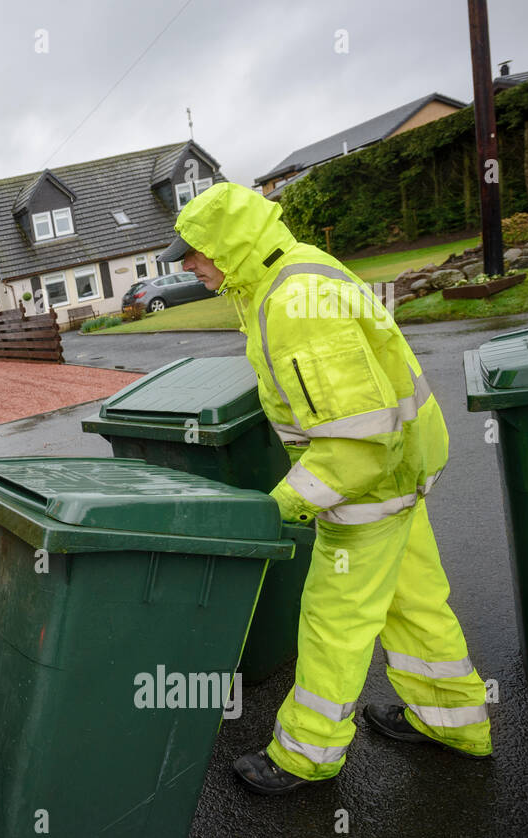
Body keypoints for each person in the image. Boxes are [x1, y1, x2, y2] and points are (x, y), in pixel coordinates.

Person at [158, 182, 491, 794]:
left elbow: (355, 445)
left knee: (333, 620)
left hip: (370, 487)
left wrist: (280, 508)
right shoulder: (294, 272)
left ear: (230, 244)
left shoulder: (292, 303)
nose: (187, 265)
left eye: (196, 252)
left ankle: (305, 756)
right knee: (411, 601)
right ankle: (455, 722)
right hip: (402, 471)